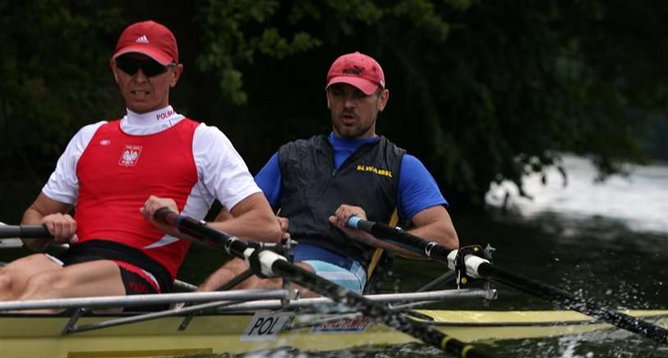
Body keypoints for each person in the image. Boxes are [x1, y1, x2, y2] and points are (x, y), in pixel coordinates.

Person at [0, 20, 282, 303]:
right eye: (129, 66)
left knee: (47, 289)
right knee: (5, 281)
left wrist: (186, 225)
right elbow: (33, 218)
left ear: (174, 74)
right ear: (114, 70)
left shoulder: (204, 140)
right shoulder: (89, 137)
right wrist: (50, 224)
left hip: (140, 272)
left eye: (152, 68)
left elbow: (265, 226)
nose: (139, 77)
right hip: (74, 262)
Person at [200, 51, 458, 293]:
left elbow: (445, 237)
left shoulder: (402, 165)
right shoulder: (290, 156)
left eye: (359, 95)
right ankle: (180, 320)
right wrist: (263, 227)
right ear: (327, 97)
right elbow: (224, 223)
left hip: (348, 272)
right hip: (280, 260)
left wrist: (373, 233)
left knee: (277, 279)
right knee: (228, 273)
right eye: (338, 93)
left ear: (382, 100)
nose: (347, 104)